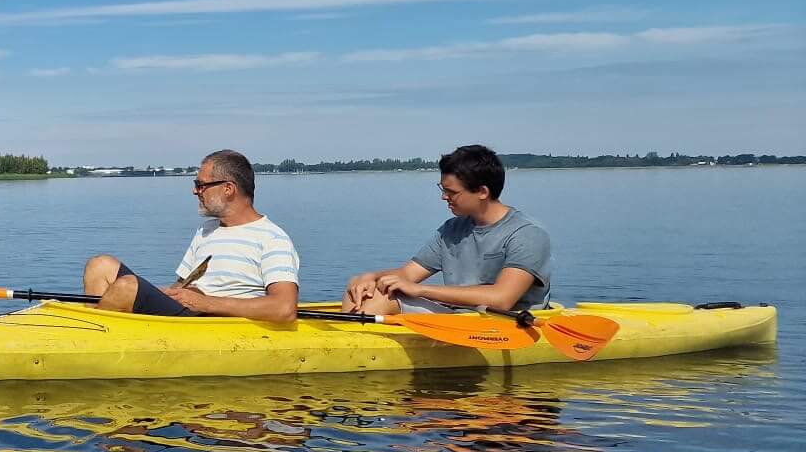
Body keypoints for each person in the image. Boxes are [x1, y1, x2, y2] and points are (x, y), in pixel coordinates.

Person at [82, 149, 300, 323]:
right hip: (188, 313)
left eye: (201, 185)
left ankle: (89, 337)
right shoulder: (207, 230)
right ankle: (95, 335)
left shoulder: (272, 238)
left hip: (211, 322)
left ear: (228, 189)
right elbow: (181, 288)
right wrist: (164, 292)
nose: (195, 191)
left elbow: (284, 308)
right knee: (99, 266)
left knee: (127, 285)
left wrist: (206, 303)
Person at [343, 144, 551, 316]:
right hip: (455, 317)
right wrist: (370, 277)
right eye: (442, 189)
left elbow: (502, 299)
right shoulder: (451, 229)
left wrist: (421, 290)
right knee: (360, 288)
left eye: (451, 192)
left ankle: (352, 353)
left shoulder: (527, 234)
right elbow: (408, 273)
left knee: (382, 302)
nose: (444, 197)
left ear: (482, 192)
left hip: (506, 323)